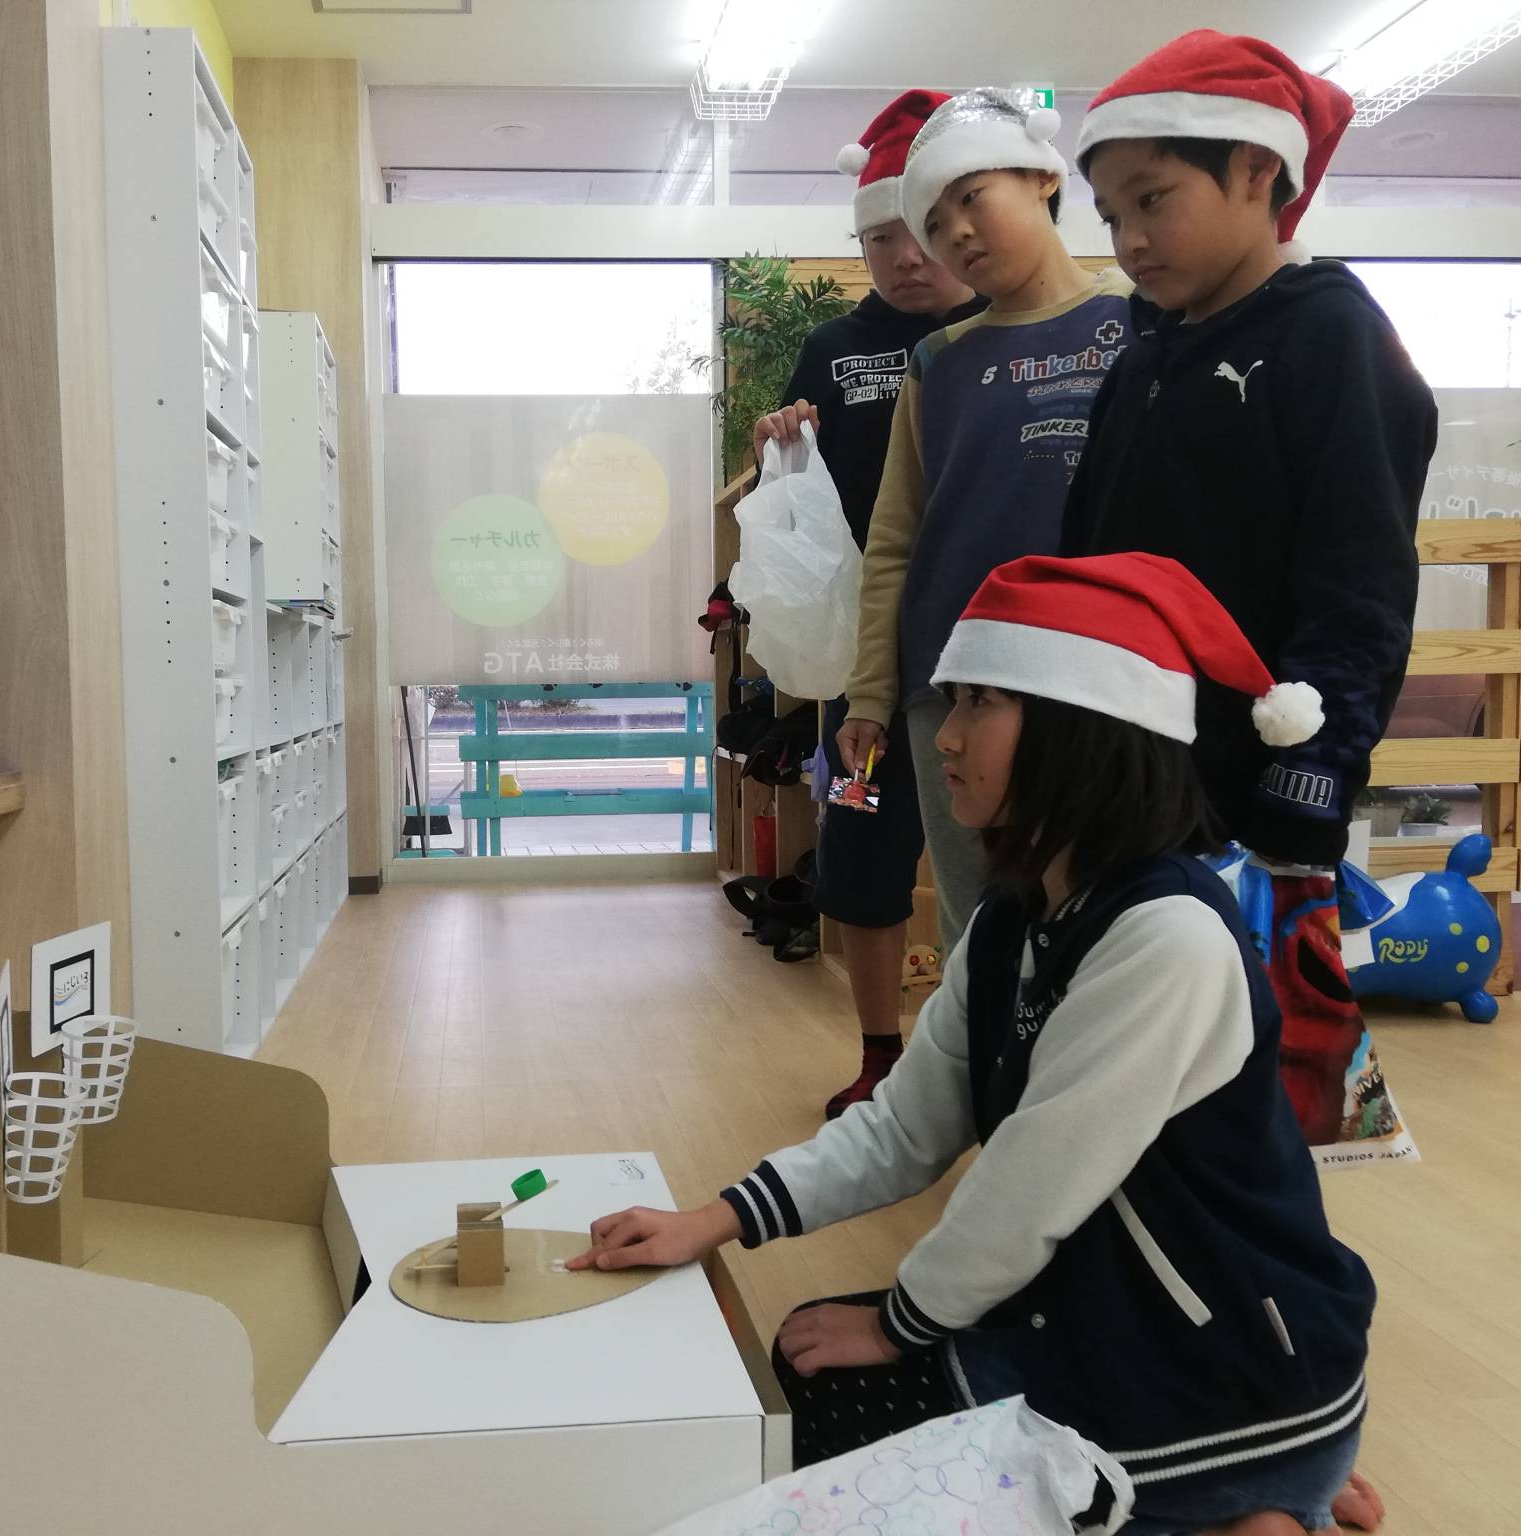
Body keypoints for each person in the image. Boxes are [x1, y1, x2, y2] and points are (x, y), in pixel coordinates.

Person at [572, 553, 1378, 1536]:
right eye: (951, 701)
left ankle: (1262, 1482)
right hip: (1103, 1319)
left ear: (1084, 727)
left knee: (825, 1401)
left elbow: (1029, 1186)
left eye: (979, 703)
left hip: (1216, 1370)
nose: (945, 736)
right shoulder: (1011, 920)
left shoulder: (1165, 937)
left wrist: (895, 1325)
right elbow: (904, 1127)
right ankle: (1256, 1493)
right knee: (803, 1358)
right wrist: (716, 1218)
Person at [1065, 31, 1435, 1169]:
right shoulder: (1144, 351)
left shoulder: (1330, 333)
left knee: (1249, 1103)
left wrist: (1311, 772)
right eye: (1109, 215)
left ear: (1256, 171)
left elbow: (1360, 578)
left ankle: (1262, 1280)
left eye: (1152, 200)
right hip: (1119, 766)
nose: (1127, 240)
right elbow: (1088, 553)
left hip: (1247, 788)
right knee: (1116, 1074)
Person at [836, 88, 1133, 960]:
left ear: (1044, 177)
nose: (956, 232)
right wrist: (870, 694)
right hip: (954, 678)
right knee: (981, 924)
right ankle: (982, 1054)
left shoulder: (1139, 320)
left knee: (1106, 911)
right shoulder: (939, 360)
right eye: (933, 223)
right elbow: (895, 542)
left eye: (971, 197)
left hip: (1101, 672)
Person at [751, 89, 984, 1119]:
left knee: (997, 858)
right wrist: (778, 439)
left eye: (916, 233)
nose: (901, 257)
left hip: (986, 648)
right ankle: (882, 1055)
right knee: (860, 848)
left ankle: (986, 1055)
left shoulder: (1002, 335)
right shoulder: (834, 347)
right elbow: (798, 482)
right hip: (867, 660)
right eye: (877, 238)